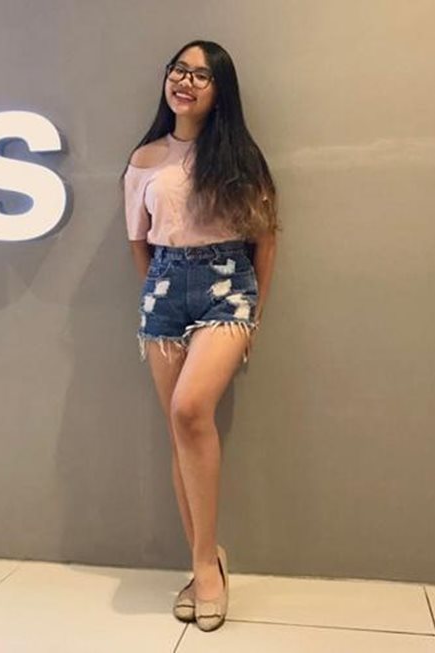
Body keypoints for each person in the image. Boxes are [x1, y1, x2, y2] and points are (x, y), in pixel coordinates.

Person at [120, 39, 279, 632]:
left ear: (219, 91)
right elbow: (138, 241)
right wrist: (154, 292)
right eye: (179, 70)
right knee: (179, 431)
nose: (185, 81)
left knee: (190, 409)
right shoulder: (144, 159)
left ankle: (206, 568)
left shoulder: (239, 156)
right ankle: (203, 564)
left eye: (201, 75)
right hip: (164, 288)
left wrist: (255, 315)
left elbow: (267, 238)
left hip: (227, 286)